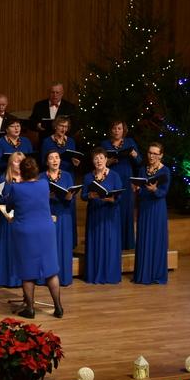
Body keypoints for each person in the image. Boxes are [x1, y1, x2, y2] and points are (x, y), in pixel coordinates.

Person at [5, 157, 63, 318]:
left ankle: (30, 309)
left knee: (27, 271)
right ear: (36, 171)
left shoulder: (16, 188)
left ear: (22, 172)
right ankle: (58, 307)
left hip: (26, 232)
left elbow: (9, 207)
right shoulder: (44, 184)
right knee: (50, 270)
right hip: (46, 230)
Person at [81, 147, 122, 284]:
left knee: (110, 243)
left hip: (110, 215)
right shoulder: (88, 177)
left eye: (101, 158)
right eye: (96, 158)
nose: (98, 161)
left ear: (106, 159)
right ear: (92, 161)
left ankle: (109, 275)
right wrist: (89, 195)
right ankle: (94, 274)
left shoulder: (114, 175)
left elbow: (120, 196)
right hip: (94, 214)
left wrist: (112, 199)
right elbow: (83, 196)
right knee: (95, 243)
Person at [133, 142, 171, 284]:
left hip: (157, 208)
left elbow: (164, 192)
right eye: (150, 153)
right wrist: (137, 189)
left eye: (155, 153)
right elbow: (141, 190)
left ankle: (156, 275)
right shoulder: (142, 169)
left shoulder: (165, 171)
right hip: (144, 207)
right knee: (143, 239)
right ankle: (143, 275)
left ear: (161, 156)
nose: (151, 156)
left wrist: (155, 189)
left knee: (156, 240)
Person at [100, 120, 141, 250]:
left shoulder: (130, 142)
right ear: (111, 130)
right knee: (112, 207)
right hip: (111, 178)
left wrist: (135, 155)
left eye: (119, 128)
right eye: (114, 128)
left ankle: (127, 243)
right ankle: (112, 240)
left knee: (126, 208)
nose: (117, 131)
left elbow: (139, 162)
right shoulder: (105, 144)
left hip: (126, 178)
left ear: (124, 130)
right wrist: (108, 162)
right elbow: (99, 163)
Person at [40, 115, 80, 247]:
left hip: (67, 176)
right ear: (55, 126)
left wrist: (75, 162)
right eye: (61, 126)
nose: (63, 129)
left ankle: (69, 241)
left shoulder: (71, 141)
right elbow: (43, 161)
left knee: (68, 204)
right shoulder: (47, 141)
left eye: (66, 127)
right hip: (51, 176)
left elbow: (74, 157)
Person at [0, 152, 24, 288]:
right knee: (6, 247)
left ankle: (19, 279)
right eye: (16, 161)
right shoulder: (3, 179)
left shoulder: (27, 179)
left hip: (22, 218)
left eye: (21, 162)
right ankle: (3, 279)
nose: (19, 164)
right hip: (7, 219)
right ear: (10, 163)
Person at [42, 150, 75, 286]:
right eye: (51, 158)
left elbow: (71, 196)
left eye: (57, 157)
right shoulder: (41, 177)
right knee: (47, 246)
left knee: (63, 246)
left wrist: (69, 197)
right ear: (47, 162)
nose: (55, 160)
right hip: (47, 214)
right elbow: (36, 197)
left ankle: (63, 277)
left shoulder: (67, 176)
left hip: (64, 214)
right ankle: (45, 277)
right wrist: (46, 196)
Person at [0, 118, 33, 183]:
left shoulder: (26, 141)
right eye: (12, 126)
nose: (16, 128)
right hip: (5, 176)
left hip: (24, 175)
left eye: (18, 126)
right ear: (7, 129)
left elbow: (31, 161)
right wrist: (13, 164)